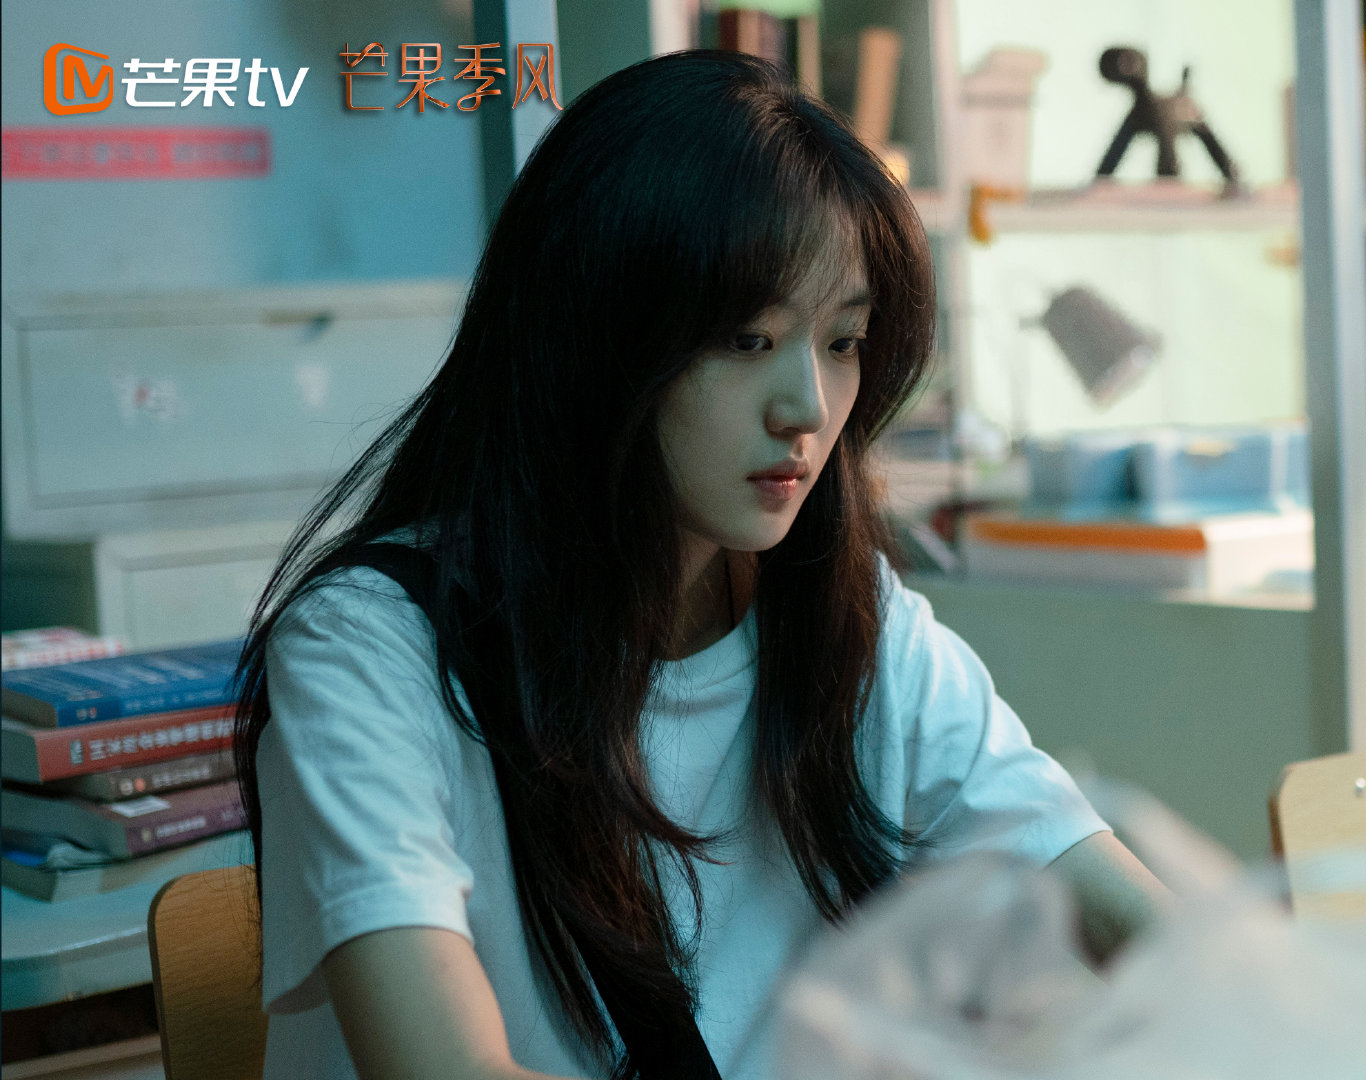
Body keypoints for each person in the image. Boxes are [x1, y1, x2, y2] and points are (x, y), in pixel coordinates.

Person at [234, 51, 1168, 1080]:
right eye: (747, 339)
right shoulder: (371, 648)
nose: (807, 408)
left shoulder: (849, 626)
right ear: (597, 340)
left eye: (844, 341)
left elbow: (1128, 913)